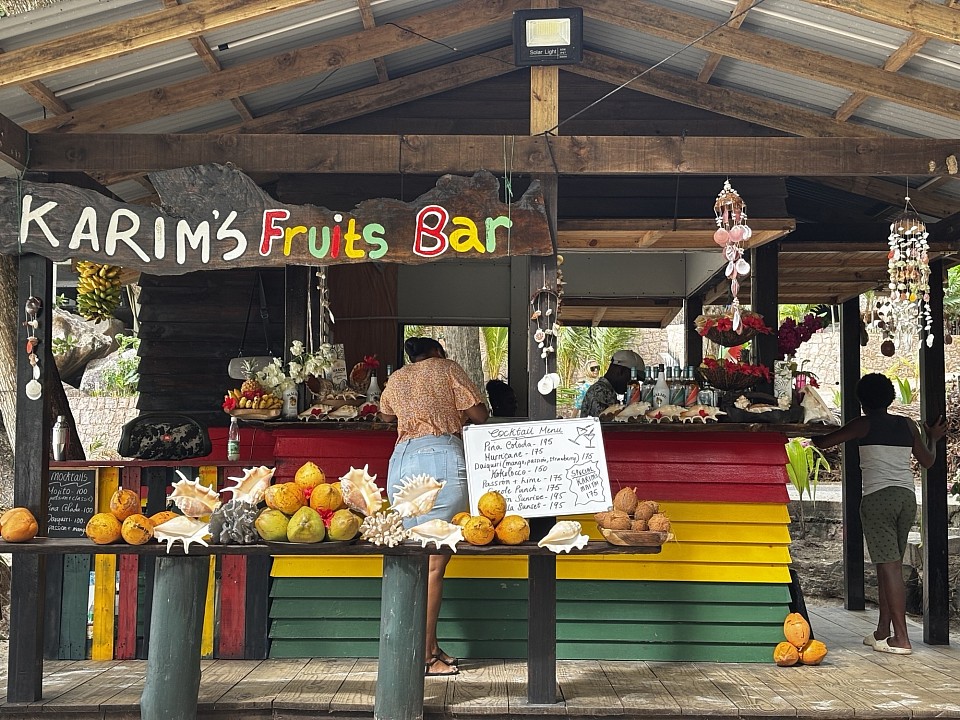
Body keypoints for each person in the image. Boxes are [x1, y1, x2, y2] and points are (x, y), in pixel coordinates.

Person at [377, 337, 489, 676]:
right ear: (438, 352)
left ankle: (430, 646)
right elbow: (480, 415)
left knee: (416, 560)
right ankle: (424, 657)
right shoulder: (447, 368)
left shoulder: (398, 377)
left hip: (401, 461)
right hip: (440, 458)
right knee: (434, 564)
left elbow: (385, 416)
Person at [811, 373, 945, 655]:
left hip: (877, 499)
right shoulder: (907, 425)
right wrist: (932, 438)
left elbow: (822, 443)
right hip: (905, 498)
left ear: (862, 401)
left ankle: (902, 639)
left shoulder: (862, 424)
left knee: (889, 568)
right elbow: (928, 461)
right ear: (891, 398)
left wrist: (810, 422)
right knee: (889, 564)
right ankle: (883, 631)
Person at [579, 350, 644, 418]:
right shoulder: (599, 391)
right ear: (620, 371)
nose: (632, 385)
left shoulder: (607, 390)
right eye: (631, 378)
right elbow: (603, 421)